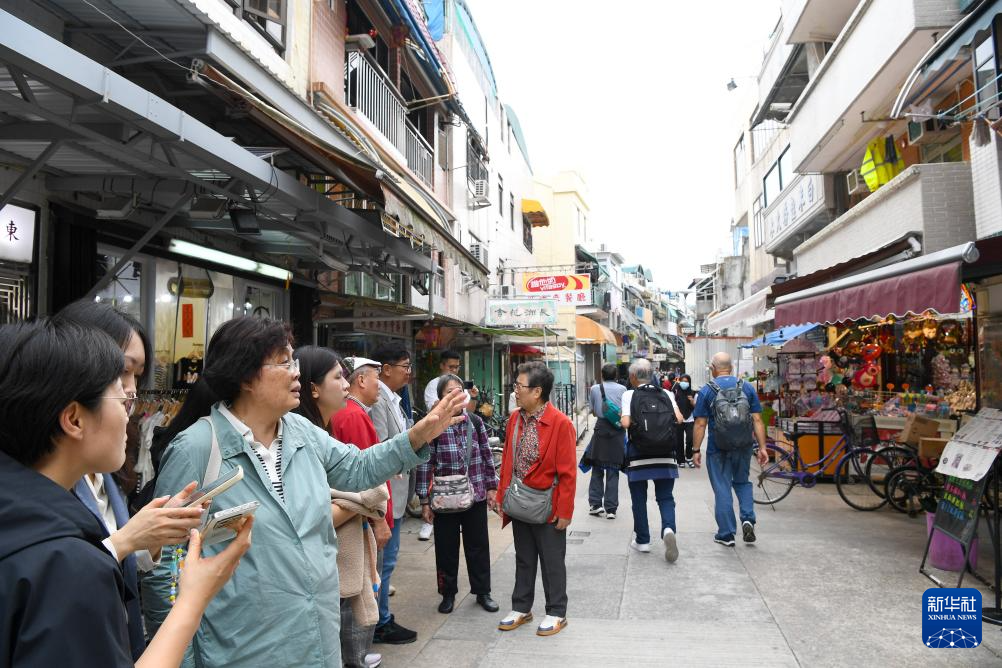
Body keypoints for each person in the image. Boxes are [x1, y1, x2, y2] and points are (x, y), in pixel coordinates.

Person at [143, 317, 468, 667]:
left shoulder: (299, 430)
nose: (296, 371)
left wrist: (418, 435)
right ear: (245, 375)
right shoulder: (196, 449)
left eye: (294, 360)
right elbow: (165, 572)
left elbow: (358, 468)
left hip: (317, 642)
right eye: (284, 361)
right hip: (239, 651)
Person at [0, 318, 251, 668]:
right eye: (119, 393)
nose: (130, 403)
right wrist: (193, 599)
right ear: (73, 419)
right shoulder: (68, 565)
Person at [54, 300, 207, 660]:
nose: (131, 391)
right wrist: (128, 540)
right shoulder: (45, 482)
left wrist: (150, 537)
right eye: (121, 373)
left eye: (137, 375)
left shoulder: (103, 467)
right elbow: (58, 575)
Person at [292, 346, 381, 668]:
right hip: (321, 564)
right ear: (313, 388)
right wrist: (364, 502)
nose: (347, 384)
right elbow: (310, 514)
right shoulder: (304, 434)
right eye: (338, 377)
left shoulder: (324, 427)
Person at [331, 356, 416, 647]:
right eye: (376, 376)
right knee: (367, 581)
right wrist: (379, 521)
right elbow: (366, 478)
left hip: (364, 513)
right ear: (361, 380)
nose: (379, 383)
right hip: (365, 517)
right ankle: (366, 642)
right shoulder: (353, 415)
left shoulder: (353, 412)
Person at [495, 361, 576, 637]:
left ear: (537, 391)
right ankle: (522, 607)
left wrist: (564, 511)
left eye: (519, 386)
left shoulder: (560, 423)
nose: (515, 391)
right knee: (524, 558)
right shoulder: (515, 419)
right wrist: (501, 494)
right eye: (515, 386)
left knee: (552, 561)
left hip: (547, 504)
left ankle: (556, 611)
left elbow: (567, 473)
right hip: (520, 502)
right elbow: (508, 460)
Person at [416, 375, 499, 615]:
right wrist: (424, 499)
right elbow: (425, 463)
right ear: (441, 398)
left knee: (478, 546)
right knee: (445, 548)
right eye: (450, 392)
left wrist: (492, 487)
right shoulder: (433, 424)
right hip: (443, 498)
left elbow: (486, 455)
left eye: (460, 390)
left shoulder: (475, 421)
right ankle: (448, 593)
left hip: (475, 493)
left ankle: (483, 592)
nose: (456, 395)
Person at [692, 352, 769, 547]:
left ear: (713, 368)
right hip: (743, 445)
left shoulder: (707, 391)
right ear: (732, 368)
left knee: (722, 487)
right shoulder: (747, 387)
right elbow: (757, 419)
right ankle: (747, 519)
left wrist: (695, 450)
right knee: (742, 482)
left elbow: (700, 423)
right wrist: (762, 447)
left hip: (717, 448)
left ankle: (726, 534)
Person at [369, 345, 416, 631]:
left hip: (397, 494)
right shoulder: (379, 401)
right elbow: (381, 449)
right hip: (388, 494)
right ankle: (379, 621)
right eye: (405, 367)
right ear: (386, 369)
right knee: (383, 562)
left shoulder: (394, 398)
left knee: (388, 561)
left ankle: (382, 615)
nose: (409, 373)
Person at [621, 359, 685, 563]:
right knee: (665, 497)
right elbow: (680, 418)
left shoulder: (629, 394)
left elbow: (625, 422)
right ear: (652, 375)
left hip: (638, 454)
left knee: (639, 498)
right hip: (665, 453)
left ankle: (643, 541)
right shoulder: (666, 393)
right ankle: (668, 528)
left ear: (632, 377)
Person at [585, 364, 626, 519]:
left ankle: (595, 504)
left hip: (601, 428)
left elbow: (594, 411)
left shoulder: (595, 389)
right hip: (617, 430)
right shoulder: (623, 389)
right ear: (616, 375)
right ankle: (611, 509)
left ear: (601, 375)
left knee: (597, 466)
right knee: (613, 468)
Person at [674, 374, 697, 468]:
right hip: (679, 419)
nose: (684, 383)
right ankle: (680, 460)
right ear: (680, 381)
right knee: (679, 440)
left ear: (689, 382)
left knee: (690, 439)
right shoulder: (675, 392)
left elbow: (697, 406)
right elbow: (673, 405)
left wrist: (692, 401)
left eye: (686, 381)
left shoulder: (693, 393)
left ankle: (689, 457)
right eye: (683, 381)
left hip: (690, 419)